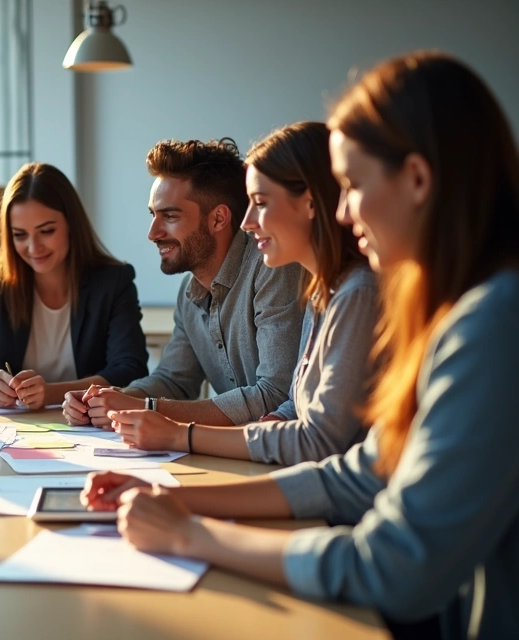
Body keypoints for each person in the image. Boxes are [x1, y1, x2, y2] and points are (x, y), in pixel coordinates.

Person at [82, 52, 519, 639]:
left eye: (353, 186)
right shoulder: (449, 312)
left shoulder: (491, 324)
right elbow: (359, 472)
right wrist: (180, 501)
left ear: (417, 179)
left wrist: (192, 535)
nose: (342, 211)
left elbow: (393, 566)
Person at [104, 123, 377, 465]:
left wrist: (168, 425)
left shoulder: (318, 282)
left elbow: (302, 423)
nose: (247, 222)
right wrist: (116, 401)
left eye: (260, 203)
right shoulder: (320, 289)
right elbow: (291, 405)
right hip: (279, 466)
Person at [62, 138, 305, 427]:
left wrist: (146, 407)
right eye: (153, 215)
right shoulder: (190, 293)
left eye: (170, 216)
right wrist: (111, 400)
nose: (153, 233)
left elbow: (275, 395)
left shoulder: (272, 268)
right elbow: (174, 380)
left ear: (218, 219)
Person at [0, 162, 149, 409]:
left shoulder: (113, 280)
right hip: (12, 432)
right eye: (19, 235)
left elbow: (130, 370)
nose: (33, 247)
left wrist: (51, 393)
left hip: (88, 426)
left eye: (46, 231)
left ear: (72, 224)